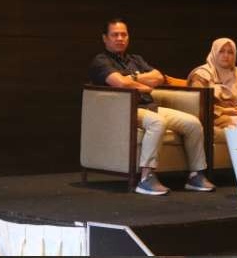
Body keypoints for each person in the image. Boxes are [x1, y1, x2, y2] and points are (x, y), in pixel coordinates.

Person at [88, 18, 214, 195]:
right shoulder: (100, 61)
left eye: (123, 34)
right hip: (125, 110)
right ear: (105, 38)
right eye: (115, 35)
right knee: (157, 122)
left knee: (192, 123)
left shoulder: (135, 59)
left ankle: (195, 175)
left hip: (149, 106)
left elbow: (158, 77)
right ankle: (146, 178)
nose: (120, 38)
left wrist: (133, 79)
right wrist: (140, 83)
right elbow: (120, 83)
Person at [187, 38, 237, 128]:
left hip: (236, 115)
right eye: (221, 51)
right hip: (210, 117)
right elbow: (199, 104)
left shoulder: (236, 73)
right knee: (234, 124)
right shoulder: (201, 74)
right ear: (214, 52)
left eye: (230, 52)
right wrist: (224, 111)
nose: (226, 55)